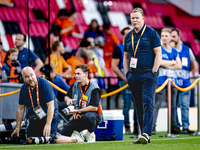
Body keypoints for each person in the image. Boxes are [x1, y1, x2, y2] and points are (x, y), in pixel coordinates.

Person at [11, 67, 84, 144]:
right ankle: (56, 135)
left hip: (50, 117)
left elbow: (51, 106)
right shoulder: (23, 88)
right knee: (30, 140)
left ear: (35, 74)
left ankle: (76, 138)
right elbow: (20, 109)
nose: (30, 78)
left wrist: (48, 124)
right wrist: (17, 127)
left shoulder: (44, 84)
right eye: (27, 77)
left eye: (32, 75)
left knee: (48, 140)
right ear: (23, 78)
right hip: (36, 118)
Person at [123, 8, 162, 144]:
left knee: (147, 103)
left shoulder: (151, 33)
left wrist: (154, 71)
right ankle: (143, 134)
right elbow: (126, 56)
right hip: (133, 75)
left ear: (143, 19)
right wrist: (127, 73)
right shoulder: (128, 36)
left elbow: (158, 53)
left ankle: (146, 133)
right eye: (132, 18)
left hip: (148, 74)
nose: (134, 20)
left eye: (137, 18)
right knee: (138, 105)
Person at [60, 64, 103, 143]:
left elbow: (94, 107)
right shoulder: (75, 85)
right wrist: (68, 100)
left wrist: (78, 111)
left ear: (86, 74)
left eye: (78, 74)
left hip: (92, 116)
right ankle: (79, 135)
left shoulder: (94, 88)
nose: (76, 76)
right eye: (75, 73)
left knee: (88, 117)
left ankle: (90, 133)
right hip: (77, 116)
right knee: (62, 135)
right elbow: (66, 96)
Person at [152, 28, 182, 135]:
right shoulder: (158, 49)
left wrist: (166, 63)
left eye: (166, 36)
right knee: (156, 105)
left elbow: (179, 65)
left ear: (170, 37)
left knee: (173, 105)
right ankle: (152, 127)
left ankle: (173, 126)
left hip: (172, 82)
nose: (164, 38)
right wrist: (172, 63)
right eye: (162, 35)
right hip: (160, 81)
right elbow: (158, 62)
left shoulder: (174, 51)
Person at [112, 27, 139, 135]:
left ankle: (137, 127)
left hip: (136, 81)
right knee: (127, 104)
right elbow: (114, 66)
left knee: (137, 104)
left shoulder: (135, 48)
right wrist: (125, 79)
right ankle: (127, 126)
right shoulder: (119, 49)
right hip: (125, 82)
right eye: (126, 34)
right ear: (122, 35)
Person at [171, 28, 196, 134]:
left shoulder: (187, 49)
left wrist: (184, 73)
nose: (172, 38)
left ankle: (186, 126)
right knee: (174, 106)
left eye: (174, 36)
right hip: (173, 83)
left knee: (185, 105)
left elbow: (193, 64)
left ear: (178, 37)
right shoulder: (168, 50)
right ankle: (176, 126)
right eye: (170, 36)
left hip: (185, 83)